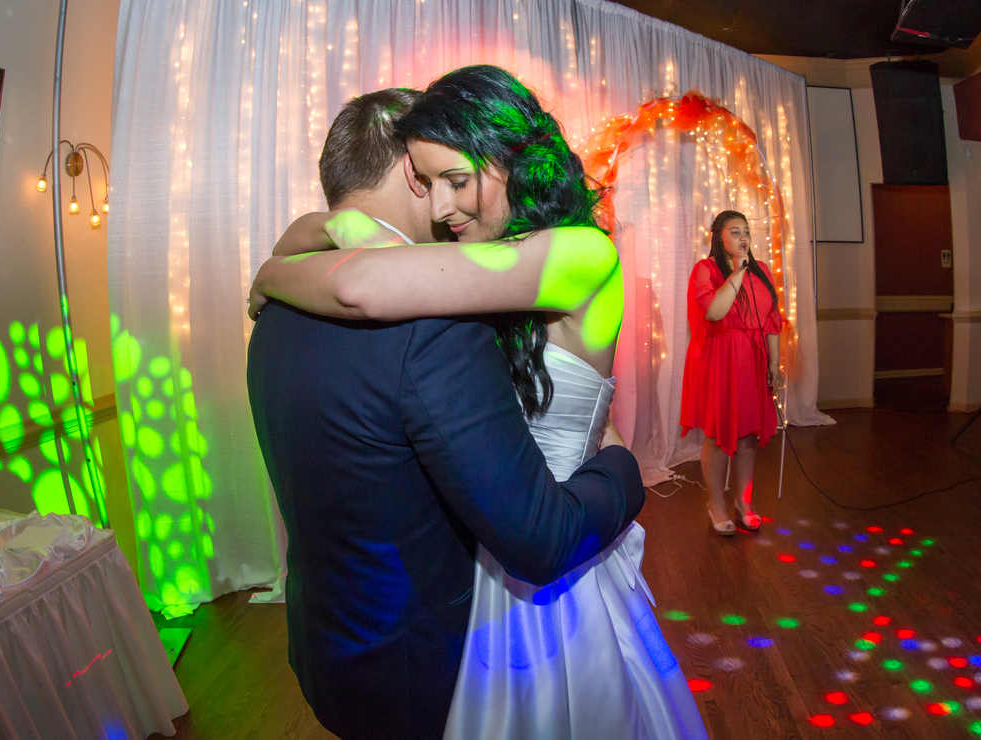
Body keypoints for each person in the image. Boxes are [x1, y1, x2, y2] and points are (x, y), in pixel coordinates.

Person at [250, 66, 707, 740]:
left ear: (508, 160)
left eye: (455, 181)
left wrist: (278, 268)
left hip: (554, 550)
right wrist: (317, 233)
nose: (439, 207)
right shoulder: (490, 259)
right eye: (427, 183)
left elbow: (363, 287)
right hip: (492, 559)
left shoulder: (582, 252)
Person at [680, 210, 783, 536]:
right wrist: (737, 273)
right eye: (735, 232)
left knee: (748, 435)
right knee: (719, 435)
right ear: (719, 237)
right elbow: (714, 311)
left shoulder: (763, 270)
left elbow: (772, 320)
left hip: (753, 360)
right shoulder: (706, 270)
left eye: (746, 232)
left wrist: (773, 362)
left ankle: (744, 502)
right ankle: (716, 504)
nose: (743, 238)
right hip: (721, 361)